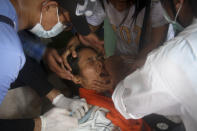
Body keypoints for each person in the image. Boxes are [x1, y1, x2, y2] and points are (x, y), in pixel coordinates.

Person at [0, 0, 98, 130]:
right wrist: (41, 124)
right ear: (49, 6)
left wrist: (57, 98)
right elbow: (9, 56)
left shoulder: (6, 11)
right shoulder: (9, 52)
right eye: (66, 24)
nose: (63, 28)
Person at [111, 0, 197, 130]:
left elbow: (126, 104)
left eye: (162, 3)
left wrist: (112, 66)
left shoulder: (171, 61)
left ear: (178, 2)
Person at [65, 45, 151, 131]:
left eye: (99, 58)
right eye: (90, 61)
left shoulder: (112, 83)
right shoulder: (87, 114)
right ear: (77, 79)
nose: (100, 64)